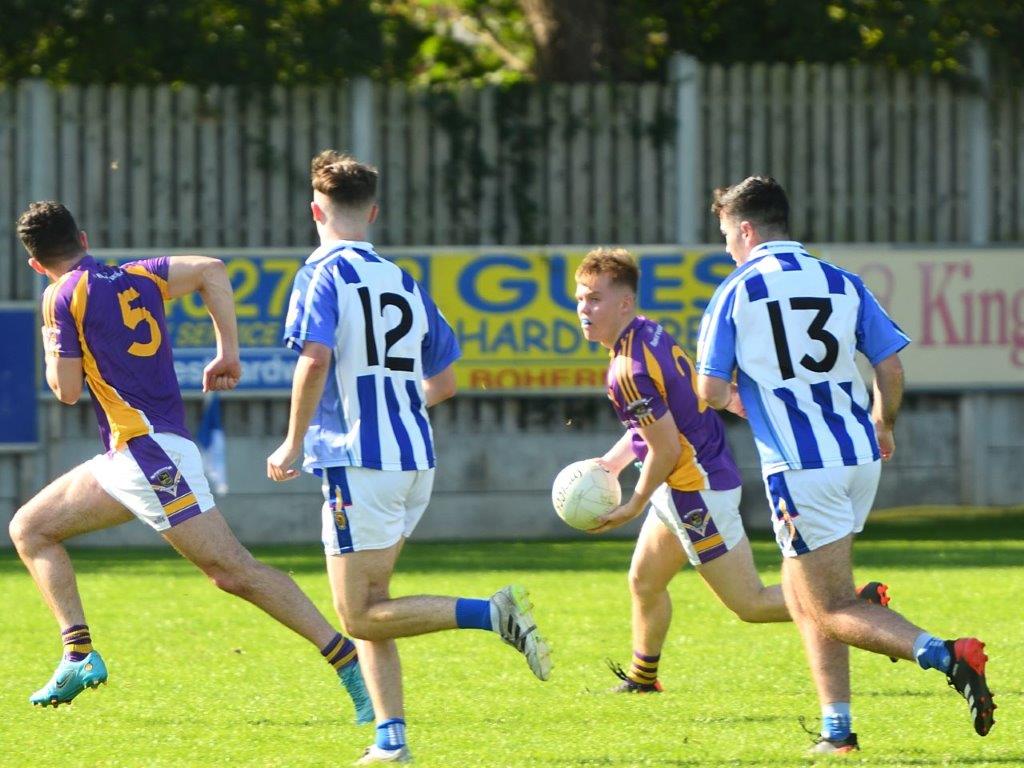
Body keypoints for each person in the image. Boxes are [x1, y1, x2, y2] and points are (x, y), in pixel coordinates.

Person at [10, 201, 373, 724]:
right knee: (30, 528)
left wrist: (53, 348)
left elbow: (65, 391)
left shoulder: (59, 295)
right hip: (128, 452)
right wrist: (228, 351)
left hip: (149, 453)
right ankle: (78, 654)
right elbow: (211, 270)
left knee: (235, 572)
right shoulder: (139, 275)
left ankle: (350, 662)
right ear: (85, 239)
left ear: (36, 264)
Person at [267, 150, 552, 765]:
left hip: (359, 461)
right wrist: (397, 402)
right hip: (413, 458)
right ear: (372, 212)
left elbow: (314, 358)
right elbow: (445, 381)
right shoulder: (403, 280)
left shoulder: (321, 275)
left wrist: (292, 442)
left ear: (315, 210)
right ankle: (390, 740)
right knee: (374, 605)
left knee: (360, 615)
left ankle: (490, 613)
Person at [695, 176, 996, 753]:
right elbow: (892, 367)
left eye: (728, 235)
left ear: (748, 229)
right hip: (859, 455)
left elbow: (708, 389)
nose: (728, 247)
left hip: (802, 466)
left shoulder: (736, 290)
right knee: (805, 595)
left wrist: (734, 395)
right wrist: (883, 422)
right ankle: (837, 731)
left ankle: (945, 653)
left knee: (830, 606)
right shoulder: (842, 282)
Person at [574, 248, 891, 694]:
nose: (583, 310)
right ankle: (643, 678)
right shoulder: (648, 335)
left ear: (624, 303)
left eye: (594, 299)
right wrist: (611, 464)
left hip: (693, 490)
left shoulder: (628, 368)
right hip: (690, 479)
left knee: (752, 604)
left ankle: (854, 605)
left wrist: (632, 505)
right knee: (644, 581)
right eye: (580, 299)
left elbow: (664, 450)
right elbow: (663, 426)